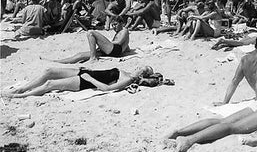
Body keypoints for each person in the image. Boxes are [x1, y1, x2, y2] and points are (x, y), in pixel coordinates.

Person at [2, 65, 154, 99]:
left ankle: (20, 96)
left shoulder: (127, 79)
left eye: (142, 69)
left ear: (142, 75)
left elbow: (107, 88)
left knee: (50, 84)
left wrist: (89, 79)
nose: (139, 68)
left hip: (86, 81)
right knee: (49, 72)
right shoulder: (127, 73)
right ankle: (21, 89)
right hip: (87, 72)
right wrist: (88, 71)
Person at [45, 19, 130, 63]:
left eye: (116, 24)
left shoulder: (124, 30)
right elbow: (126, 46)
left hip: (114, 50)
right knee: (80, 55)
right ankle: (57, 62)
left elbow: (119, 42)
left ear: (121, 23)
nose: (114, 27)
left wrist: (103, 43)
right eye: (113, 25)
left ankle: (93, 58)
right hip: (112, 50)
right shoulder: (119, 32)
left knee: (90, 32)